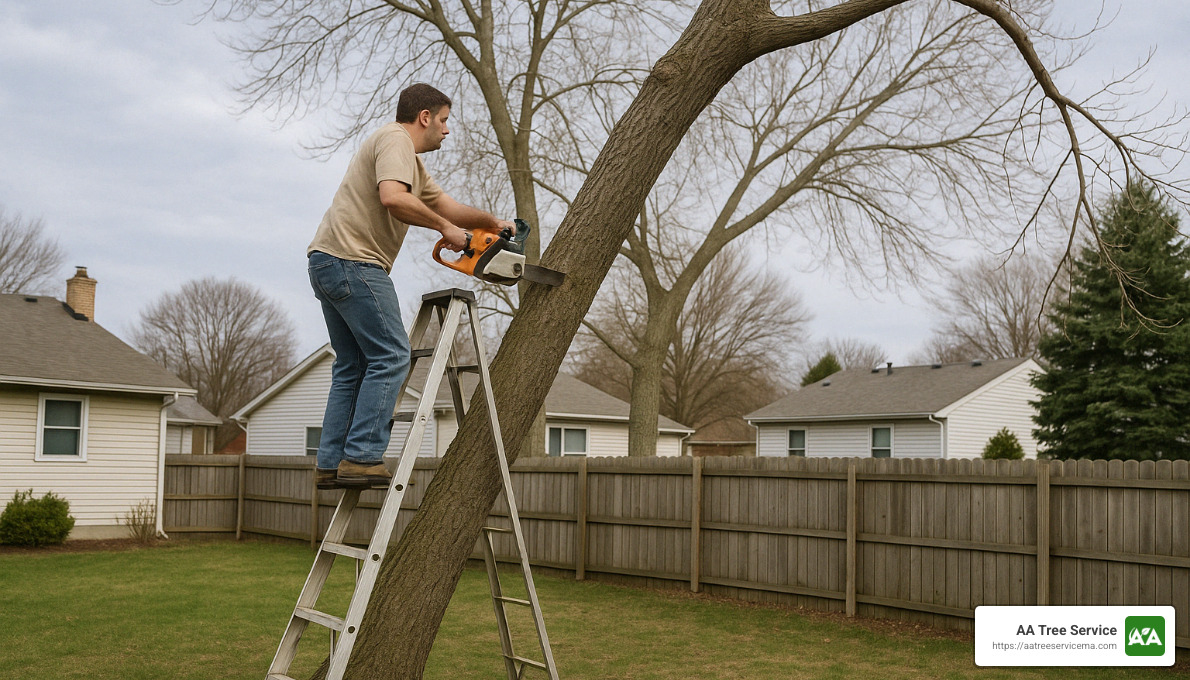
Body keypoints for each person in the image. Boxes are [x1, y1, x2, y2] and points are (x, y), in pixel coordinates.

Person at [307, 83, 515, 489]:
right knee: (392, 356)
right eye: (444, 121)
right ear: (424, 118)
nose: (446, 130)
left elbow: (449, 207)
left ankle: (331, 462)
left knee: (352, 367)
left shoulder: (411, 165)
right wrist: (445, 229)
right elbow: (393, 198)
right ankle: (363, 457)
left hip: (328, 261)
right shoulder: (395, 139)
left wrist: (492, 223)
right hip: (355, 262)